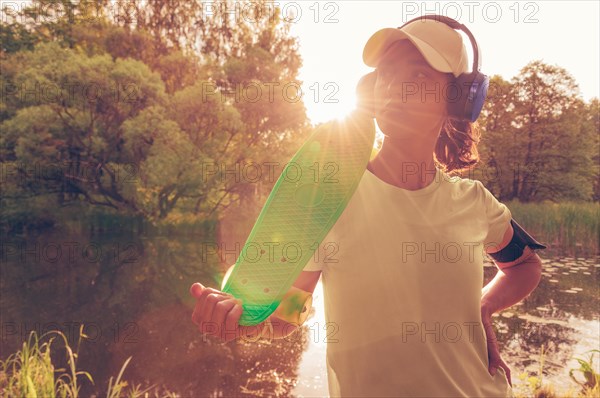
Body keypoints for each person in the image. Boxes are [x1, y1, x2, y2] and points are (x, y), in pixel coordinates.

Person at [190, 16, 547, 397]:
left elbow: (524, 265)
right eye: (386, 75)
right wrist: (249, 321)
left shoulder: (474, 203)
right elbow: (290, 312)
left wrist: (483, 306)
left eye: (420, 78)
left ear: (459, 99)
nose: (395, 89)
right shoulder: (331, 195)